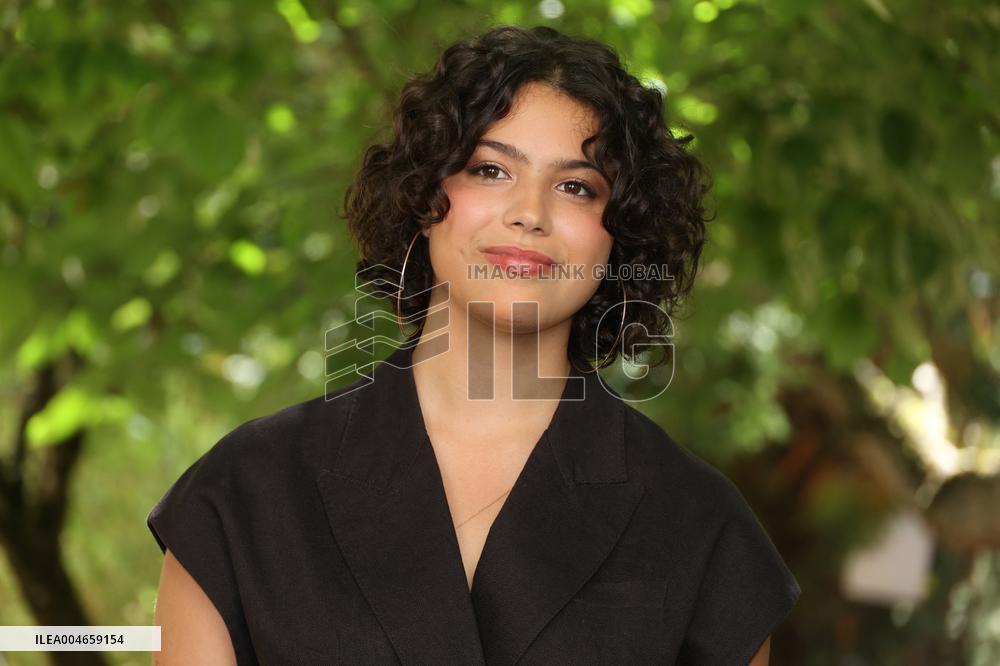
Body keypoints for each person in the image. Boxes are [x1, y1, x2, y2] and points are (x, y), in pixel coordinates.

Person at [148, 24, 801, 665]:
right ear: (425, 195)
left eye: (577, 186)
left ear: (620, 235)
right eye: (490, 169)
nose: (529, 211)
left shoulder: (702, 530)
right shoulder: (244, 495)